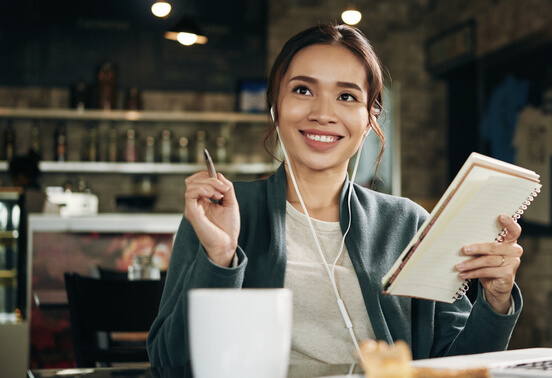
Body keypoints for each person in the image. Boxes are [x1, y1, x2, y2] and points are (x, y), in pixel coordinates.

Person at [147, 23, 525, 367]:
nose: (323, 113)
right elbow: (170, 366)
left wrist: (496, 301)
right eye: (302, 90)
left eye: (346, 96)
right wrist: (219, 258)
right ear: (275, 105)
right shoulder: (223, 212)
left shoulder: (408, 223)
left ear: (369, 119)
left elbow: (458, 367)